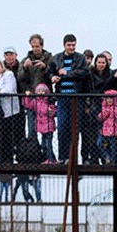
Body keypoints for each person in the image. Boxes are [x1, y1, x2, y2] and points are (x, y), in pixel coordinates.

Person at [47, 34, 89, 164]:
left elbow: (84, 73)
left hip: (76, 98)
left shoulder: (80, 58)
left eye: (73, 45)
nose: (71, 47)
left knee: (75, 129)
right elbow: (49, 71)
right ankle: (63, 157)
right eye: (69, 45)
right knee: (62, 127)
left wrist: (68, 73)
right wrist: (52, 78)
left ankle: (73, 157)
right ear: (64, 45)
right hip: (62, 98)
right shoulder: (57, 58)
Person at [18, 34, 53, 139]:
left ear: (42, 45)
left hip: (45, 99)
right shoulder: (25, 60)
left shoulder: (50, 59)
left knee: (46, 130)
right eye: (33, 46)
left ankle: (47, 153)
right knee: (31, 128)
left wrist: (45, 67)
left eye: (37, 46)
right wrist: (24, 67)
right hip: (32, 99)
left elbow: (53, 75)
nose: (35, 49)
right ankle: (33, 153)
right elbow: (19, 78)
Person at [85, 53, 112, 164]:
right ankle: (94, 158)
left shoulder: (110, 75)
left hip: (105, 106)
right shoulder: (90, 75)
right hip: (93, 106)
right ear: (95, 63)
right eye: (99, 62)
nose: (101, 65)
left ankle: (105, 157)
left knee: (104, 136)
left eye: (103, 62)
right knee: (92, 135)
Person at [21, 83, 57, 163]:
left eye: (42, 91)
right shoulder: (36, 101)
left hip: (48, 126)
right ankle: (49, 158)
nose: (41, 93)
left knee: (48, 144)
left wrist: (51, 111)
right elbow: (28, 105)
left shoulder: (49, 101)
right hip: (41, 126)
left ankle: (50, 159)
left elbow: (53, 111)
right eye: (39, 91)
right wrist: (27, 97)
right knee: (44, 144)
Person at [97, 89, 117, 164]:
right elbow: (100, 117)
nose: (109, 100)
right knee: (100, 143)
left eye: (111, 98)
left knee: (113, 148)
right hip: (105, 132)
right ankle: (106, 157)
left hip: (114, 132)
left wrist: (115, 113)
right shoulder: (104, 108)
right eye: (107, 98)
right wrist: (106, 112)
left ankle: (112, 161)